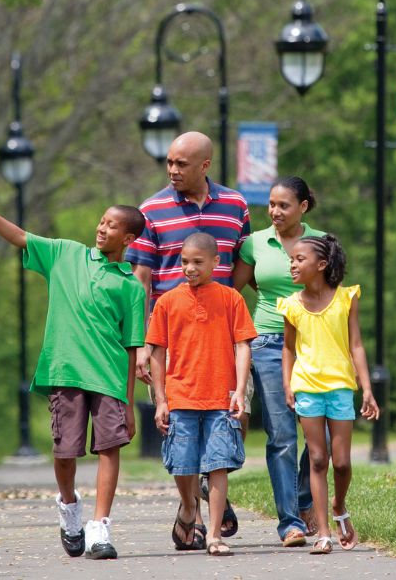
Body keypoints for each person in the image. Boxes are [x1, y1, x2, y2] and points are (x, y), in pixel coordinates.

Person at [0, 191, 146, 560]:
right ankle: (69, 508)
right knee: (65, 451)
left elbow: (131, 347)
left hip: (108, 376)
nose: (102, 229)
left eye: (112, 226)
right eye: (102, 222)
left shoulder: (131, 287)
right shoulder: (66, 254)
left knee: (110, 449)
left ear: (129, 239)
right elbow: (20, 236)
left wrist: (129, 403)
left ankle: (100, 528)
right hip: (66, 370)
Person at [127, 131, 250, 536]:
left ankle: (215, 479)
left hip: (223, 337)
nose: (172, 170)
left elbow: (242, 263)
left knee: (236, 414)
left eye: (182, 164)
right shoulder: (152, 209)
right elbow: (140, 279)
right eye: (169, 162)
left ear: (205, 166)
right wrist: (144, 344)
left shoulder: (235, 205)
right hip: (172, 339)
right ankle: (188, 508)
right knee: (177, 428)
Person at [146, 233, 257, 556]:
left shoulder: (230, 299)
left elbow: (242, 346)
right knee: (183, 464)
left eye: (197, 262)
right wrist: (161, 399)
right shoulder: (167, 302)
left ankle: (213, 535)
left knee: (218, 465)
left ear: (215, 262)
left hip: (220, 397)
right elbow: (157, 353)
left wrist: (238, 391)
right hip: (180, 396)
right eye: (184, 261)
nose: (189, 268)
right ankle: (188, 507)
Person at [231, 177, 323, 547]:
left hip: (316, 343)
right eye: (271, 204)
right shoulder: (254, 243)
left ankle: (304, 500)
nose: (275, 211)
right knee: (282, 434)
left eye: (284, 205)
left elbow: (331, 291)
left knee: (323, 434)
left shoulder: (320, 242)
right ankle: (291, 523)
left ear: (303, 206)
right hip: (268, 342)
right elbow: (233, 292)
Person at [276, 234, 380, 555]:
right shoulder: (291, 305)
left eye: (299, 259)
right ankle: (323, 532)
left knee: (343, 463)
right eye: (291, 259)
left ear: (321, 265)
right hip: (307, 387)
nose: (292, 264)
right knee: (318, 460)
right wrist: (288, 383)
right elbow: (288, 348)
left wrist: (367, 389)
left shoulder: (346, 299)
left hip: (339, 388)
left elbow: (356, 345)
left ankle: (339, 505)